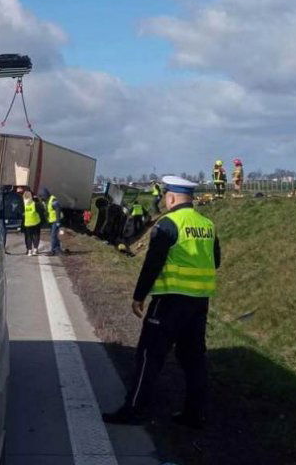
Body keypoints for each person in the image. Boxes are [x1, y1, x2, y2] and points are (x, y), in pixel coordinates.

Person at [103, 176, 221, 429]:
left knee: (149, 355)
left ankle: (134, 409)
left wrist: (138, 296)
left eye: (165, 196)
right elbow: (216, 260)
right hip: (199, 303)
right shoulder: (207, 224)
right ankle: (194, 413)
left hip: (169, 301)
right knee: (193, 358)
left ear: (171, 198)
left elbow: (152, 264)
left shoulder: (168, 224)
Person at [41, 188, 62, 256]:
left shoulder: (53, 200)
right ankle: (57, 248)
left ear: (46, 195)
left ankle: (53, 250)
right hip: (52, 220)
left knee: (53, 235)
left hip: (56, 220)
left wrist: (58, 221)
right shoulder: (46, 200)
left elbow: (58, 210)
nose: (42, 198)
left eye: (43, 196)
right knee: (54, 235)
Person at [22, 190, 42, 256]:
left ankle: (29, 251)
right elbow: (40, 211)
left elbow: (21, 213)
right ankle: (35, 250)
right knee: (36, 236)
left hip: (27, 223)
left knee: (28, 237)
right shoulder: (34, 203)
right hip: (35, 222)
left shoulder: (23, 204)